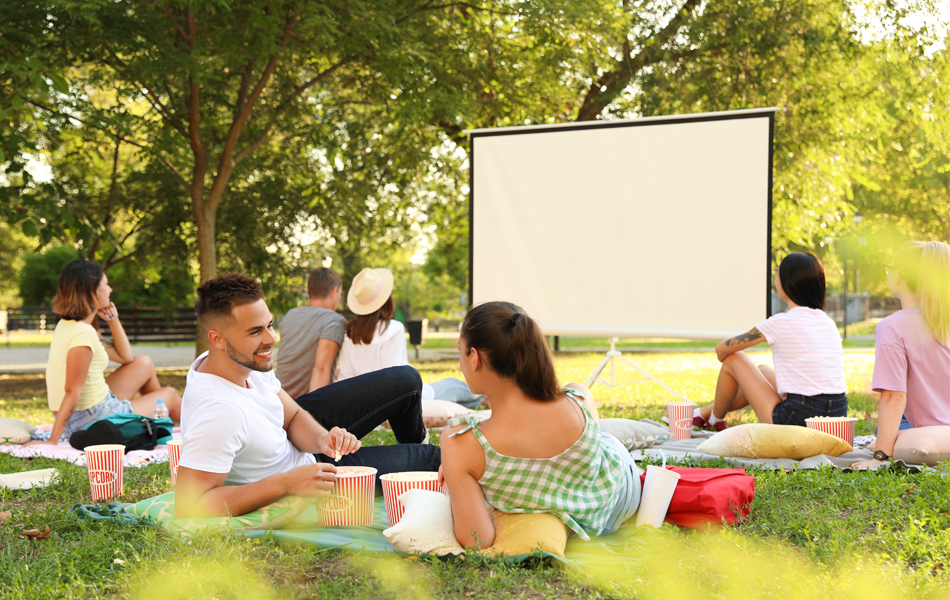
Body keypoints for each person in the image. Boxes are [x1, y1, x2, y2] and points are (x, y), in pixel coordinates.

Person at [174, 273, 440, 519]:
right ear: (217, 339)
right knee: (431, 458)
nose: (271, 339)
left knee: (406, 380)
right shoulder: (219, 411)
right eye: (255, 331)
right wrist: (286, 483)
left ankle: (412, 455)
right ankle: (416, 463)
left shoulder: (239, 362)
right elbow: (189, 505)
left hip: (295, 446)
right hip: (306, 477)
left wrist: (323, 439)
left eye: (269, 325)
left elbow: (292, 417)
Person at [439, 302, 640, 548]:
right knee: (609, 437)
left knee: (613, 436)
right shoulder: (579, 398)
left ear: (474, 357)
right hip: (622, 500)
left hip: (606, 501)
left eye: (460, 351)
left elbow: (477, 540)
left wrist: (456, 471)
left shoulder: (459, 443)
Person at [22, 260, 181, 447]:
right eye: (106, 284)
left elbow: (125, 357)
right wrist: (52, 440)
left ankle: (158, 424)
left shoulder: (70, 325)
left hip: (89, 410)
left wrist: (113, 321)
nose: (110, 289)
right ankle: (185, 426)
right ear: (92, 290)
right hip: (93, 417)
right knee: (170, 395)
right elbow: (72, 391)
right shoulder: (83, 335)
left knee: (142, 363)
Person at [694, 252, 847, 430]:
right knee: (763, 371)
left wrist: (727, 363)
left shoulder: (780, 322)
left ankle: (715, 420)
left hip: (797, 419)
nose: (775, 279)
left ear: (788, 282)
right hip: (837, 418)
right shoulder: (828, 322)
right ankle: (705, 413)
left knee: (733, 359)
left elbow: (721, 349)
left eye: (777, 274)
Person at [852, 241, 950, 469]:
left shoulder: (893, 327)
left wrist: (879, 458)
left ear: (896, 275)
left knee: (885, 435)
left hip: (932, 434)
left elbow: (894, 396)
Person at [337, 267, 482, 408]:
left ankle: (481, 401)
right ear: (387, 300)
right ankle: (487, 397)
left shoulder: (348, 334)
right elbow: (392, 378)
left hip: (368, 401)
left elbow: (345, 378)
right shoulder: (392, 329)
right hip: (409, 396)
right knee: (454, 385)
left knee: (460, 399)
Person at [275, 267, 346, 398]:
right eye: (340, 294)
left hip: (277, 397)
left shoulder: (291, 315)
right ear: (334, 291)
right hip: (302, 404)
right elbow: (321, 369)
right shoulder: (334, 320)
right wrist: (312, 409)